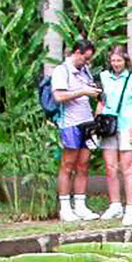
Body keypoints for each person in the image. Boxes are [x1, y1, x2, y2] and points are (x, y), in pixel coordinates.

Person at [51, 39, 102, 223]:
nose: (86, 62)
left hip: (87, 122)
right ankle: (65, 207)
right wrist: (83, 91)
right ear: (77, 52)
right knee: (68, 164)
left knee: (84, 164)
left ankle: (80, 205)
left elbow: (89, 91)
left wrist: (94, 92)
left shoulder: (85, 70)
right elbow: (58, 96)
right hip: (70, 123)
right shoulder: (61, 70)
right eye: (85, 58)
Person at [97, 44, 132, 227]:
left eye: (119, 60)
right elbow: (101, 102)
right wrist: (96, 122)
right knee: (110, 167)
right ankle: (115, 204)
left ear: (125, 61)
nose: (116, 63)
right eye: (113, 60)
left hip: (127, 125)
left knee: (127, 167)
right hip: (108, 125)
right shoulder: (104, 76)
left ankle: (130, 207)